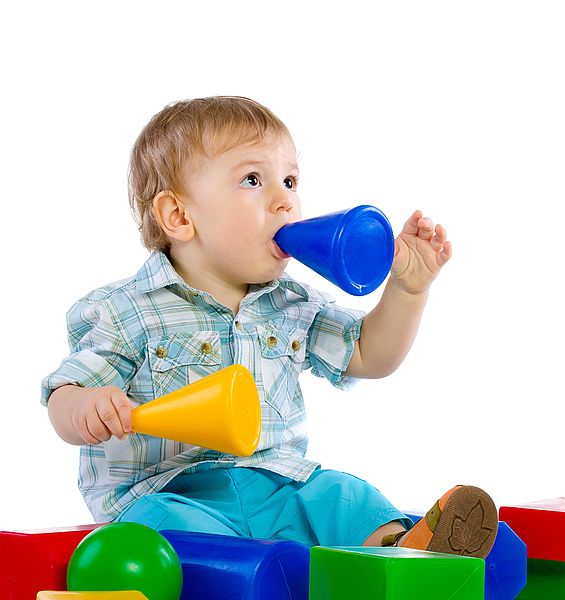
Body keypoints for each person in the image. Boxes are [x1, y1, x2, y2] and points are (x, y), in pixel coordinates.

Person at [41, 96, 498, 556]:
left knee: (343, 496)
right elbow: (65, 392)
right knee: (155, 527)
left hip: (280, 486)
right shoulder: (127, 310)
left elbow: (368, 355)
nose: (285, 201)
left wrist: (407, 292)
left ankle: (402, 553)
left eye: (291, 180)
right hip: (174, 493)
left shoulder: (292, 302)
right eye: (253, 180)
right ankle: (231, 569)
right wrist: (86, 405)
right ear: (180, 216)